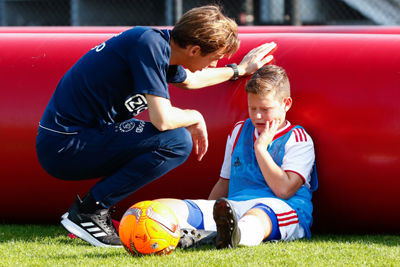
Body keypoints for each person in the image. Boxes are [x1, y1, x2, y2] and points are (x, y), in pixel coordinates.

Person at [35, 5, 277, 247]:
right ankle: (90, 211)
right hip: (65, 143)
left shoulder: (159, 45)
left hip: (80, 137)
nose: (213, 65)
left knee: (176, 139)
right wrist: (195, 115)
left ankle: (92, 209)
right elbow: (162, 120)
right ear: (194, 50)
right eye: (213, 59)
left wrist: (240, 70)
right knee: (177, 142)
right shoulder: (148, 45)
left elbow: (191, 80)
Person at [156, 65, 318, 249]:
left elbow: (284, 190)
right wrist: (208, 212)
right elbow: (224, 182)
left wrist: (261, 149)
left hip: (280, 208)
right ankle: (186, 232)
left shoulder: (298, 139)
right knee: (161, 208)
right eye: (252, 108)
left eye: (265, 109)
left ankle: (234, 236)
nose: (257, 116)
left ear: (286, 104)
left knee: (257, 217)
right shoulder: (239, 130)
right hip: (232, 210)